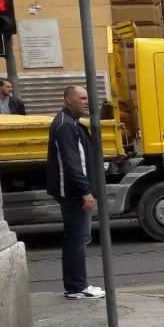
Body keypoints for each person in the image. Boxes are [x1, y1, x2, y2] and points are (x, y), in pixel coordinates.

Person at [48, 86, 105, 300]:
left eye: (87, 98)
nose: (86, 101)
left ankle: (76, 285)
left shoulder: (70, 123)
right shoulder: (65, 126)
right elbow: (73, 162)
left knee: (76, 238)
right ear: (68, 100)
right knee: (77, 239)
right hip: (73, 193)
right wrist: (85, 191)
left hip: (73, 191)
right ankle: (77, 287)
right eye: (81, 98)